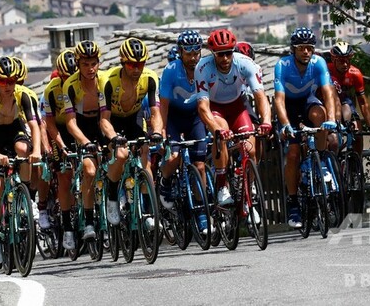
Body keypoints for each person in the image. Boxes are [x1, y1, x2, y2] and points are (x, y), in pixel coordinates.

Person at [196, 29, 272, 217]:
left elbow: (260, 97)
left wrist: (266, 121)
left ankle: (248, 192)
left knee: (251, 149)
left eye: (228, 53)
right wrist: (216, 129)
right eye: (220, 54)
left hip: (237, 107)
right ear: (213, 53)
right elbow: (203, 107)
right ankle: (222, 185)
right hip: (215, 108)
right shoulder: (203, 68)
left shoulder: (245, 63)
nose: (225, 58)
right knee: (221, 133)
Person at [0, 56, 42, 265]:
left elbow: (34, 126)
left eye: (12, 81)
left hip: (15, 130)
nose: (8, 85)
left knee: (23, 150)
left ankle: (26, 197)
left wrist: (37, 150)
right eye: (3, 81)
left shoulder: (23, 95)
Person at [273, 27, 337, 228]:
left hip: (308, 101)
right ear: (293, 49)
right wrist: (285, 125)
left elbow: (328, 93)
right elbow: (278, 100)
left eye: (309, 48)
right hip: (289, 107)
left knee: (320, 115)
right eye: (301, 48)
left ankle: (321, 161)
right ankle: (293, 203)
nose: (306, 52)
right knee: (293, 154)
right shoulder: (283, 65)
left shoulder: (319, 63)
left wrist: (332, 119)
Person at [100, 37, 163, 226]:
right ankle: (112, 198)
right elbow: (104, 119)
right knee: (120, 155)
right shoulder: (108, 81)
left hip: (133, 118)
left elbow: (155, 112)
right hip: (112, 120)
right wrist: (114, 137)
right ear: (122, 62)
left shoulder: (150, 78)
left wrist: (157, 132)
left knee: (144, 154)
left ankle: (149, 211)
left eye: (140, 64)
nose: (136, 69)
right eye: (131, 64)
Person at [158, 31, 209, 222]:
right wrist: (162, 131)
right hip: (173, 117)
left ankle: (202, 212)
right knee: (173, 157)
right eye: (189, 54)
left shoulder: (204, 68)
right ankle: (165, 181)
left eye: (196, 53)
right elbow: (163, 105)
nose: (193, 58)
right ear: (180, 53)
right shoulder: (171, 70)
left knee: (200, 165)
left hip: (195, 117)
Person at [63, 40, 108, 242]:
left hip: (102, 122)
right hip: (81, 126)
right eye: (85, 64)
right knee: (90, 171)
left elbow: (108, 115)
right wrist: (84, 142)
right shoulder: (70, 86)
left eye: (93, 64)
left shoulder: (105, 80)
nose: (90, 69)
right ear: (78, 65)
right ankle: (89, 220)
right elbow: (70, 123)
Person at [42, 49, 79, 250]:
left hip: (80, 126)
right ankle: (67, 227)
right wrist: (59, 146)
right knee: (64, 176)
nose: (69, 81)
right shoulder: (51, 90)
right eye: (65, 77)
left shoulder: (85, 84)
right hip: (59, 130)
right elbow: (48, 124)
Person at [10, 56, 52, 231]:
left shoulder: (28, 95)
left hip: (26, 133)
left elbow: (39, 124)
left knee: (39, 167)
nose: (15, 86)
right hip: (9, 136)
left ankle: (37, 204)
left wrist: (41, 148)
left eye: (18, 82)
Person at [327, 41, 370, 155]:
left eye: (347, 60)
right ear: (333, 60)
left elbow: (362, 102)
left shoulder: (355, 73)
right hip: (328, 102)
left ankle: (357, 161)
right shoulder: (326, 70)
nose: (345, 64)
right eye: (341, 61)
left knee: (357, 133)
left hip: (345, 101)